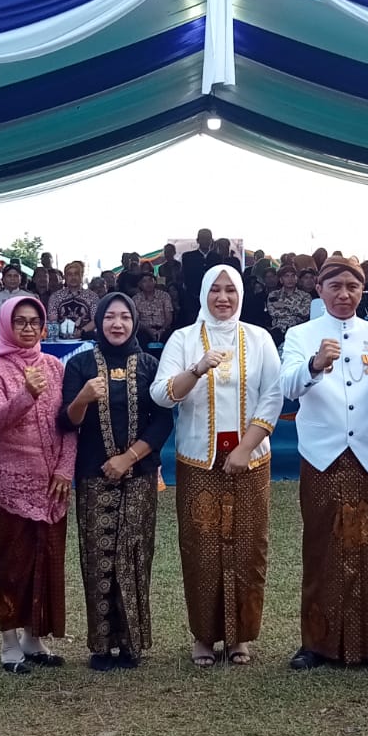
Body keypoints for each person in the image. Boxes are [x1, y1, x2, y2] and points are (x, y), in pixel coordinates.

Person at [283, 258, 368, 670]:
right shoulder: (300, 335)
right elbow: (287, 386)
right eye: (334, 286)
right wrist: (315, 365)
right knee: (321, 547)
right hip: (321, 455)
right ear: (319, 290)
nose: (343, 294)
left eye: (351, 287)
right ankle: (316, 646)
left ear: (362, 291)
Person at [151, 265, 283, 667]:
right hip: (198, 460)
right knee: (201, 549)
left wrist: (245, 448)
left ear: (241, 295)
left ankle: (240, 636)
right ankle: (204, 637)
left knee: (248, 547)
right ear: (204, 294)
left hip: (252, 459)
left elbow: (273, 395)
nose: (223, 298)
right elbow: (161, 394)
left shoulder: (258, 338)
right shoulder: (184, 339)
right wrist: (197, 369)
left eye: (230, 291)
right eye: (216, 290)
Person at [60, 293, 173, 671]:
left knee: (135, 555)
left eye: (125, 317)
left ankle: (132, 644)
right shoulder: (78, 366)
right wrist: (83, 398)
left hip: (138, 475)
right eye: (110, 317)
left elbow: (163, 420)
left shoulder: (150, 365)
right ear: (98, 321)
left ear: (135, 320)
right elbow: (66, 421)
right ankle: (101, 646)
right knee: (98, 557)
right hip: (94, 476)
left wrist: (129, 458)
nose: (118, 324)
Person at [0, 296, 77, 672]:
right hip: (9, 485)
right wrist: (26, 395)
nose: (27, 328)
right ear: (6, 325)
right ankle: (8, 642)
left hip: (51, 482)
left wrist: (65, 470)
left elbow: (68, 423)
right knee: (12, 563)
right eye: (19, 321)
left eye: (34, 321)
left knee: (45, 561)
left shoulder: (54, 366)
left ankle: (33, 638)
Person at [48, 262, 99, 335]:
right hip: (61, 340)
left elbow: (96, 320)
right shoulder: (55, 297)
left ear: (81, 276)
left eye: (76, 274)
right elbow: (52, 321)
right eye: (69, 274)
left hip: (85, 339)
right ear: (65, 277)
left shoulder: (92, 296)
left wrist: (82, 332)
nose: (73, 277)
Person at [266, 266, 312, 340]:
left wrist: (285, 305)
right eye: (286, 276)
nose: (290, 279)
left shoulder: (305, 295)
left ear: (296, 279)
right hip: (278, 332)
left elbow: (306, 312)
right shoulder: (274, 295)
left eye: (292, 276)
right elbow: (273, 313)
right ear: (281, 280)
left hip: (299, 331)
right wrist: (296, 312)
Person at [134, 271, 175, 349]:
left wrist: (162, 330)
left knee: (171, 339)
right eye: (144, 281)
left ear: (155, 282)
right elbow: (136, 320)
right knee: (140, 339)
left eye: (150, 280)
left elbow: (169, 317)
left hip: (163, 328)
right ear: (139, 284)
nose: (148, 283)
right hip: (144, 330)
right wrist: (148, 330)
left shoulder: (164, 296)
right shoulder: (136, 299)